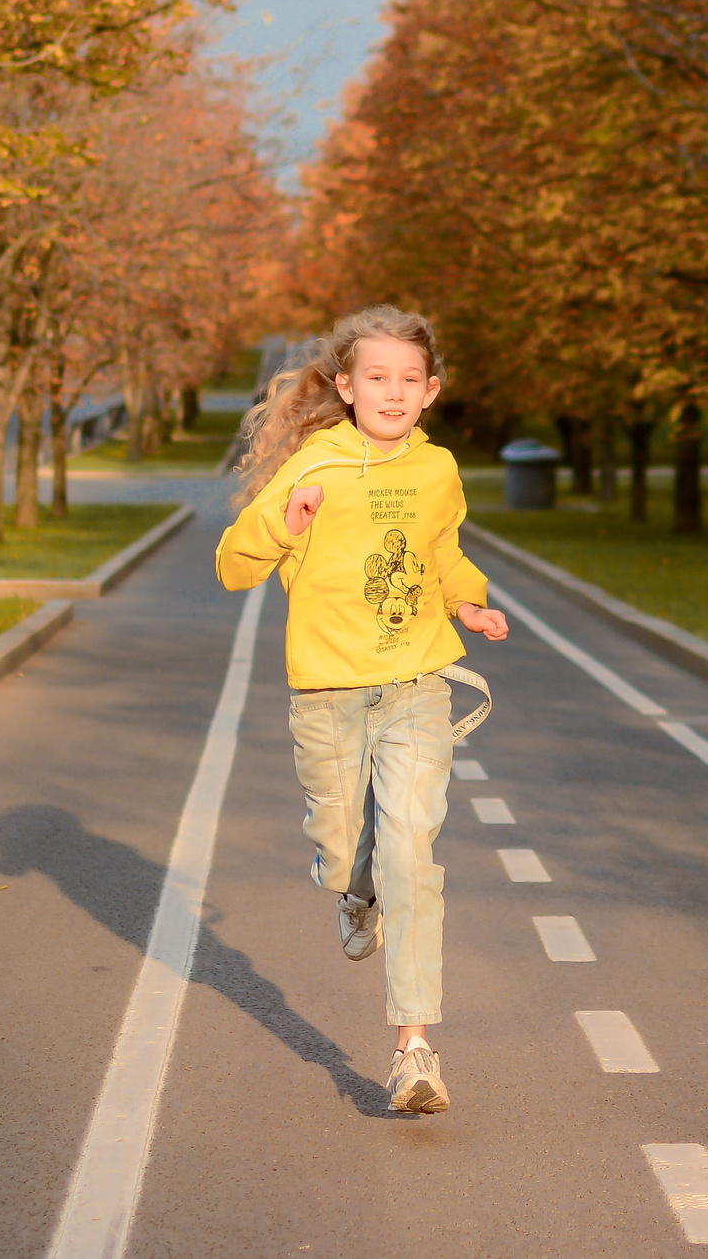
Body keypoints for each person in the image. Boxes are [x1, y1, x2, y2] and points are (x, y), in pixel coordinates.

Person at [215, 305, 507, 1115]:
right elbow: (233, 566)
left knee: (413, 853)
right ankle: (353, 890)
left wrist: (469, 604)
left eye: (408, 379)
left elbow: (442, 550)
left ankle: (415, 1051)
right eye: (376, 377)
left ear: (431, 391)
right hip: (329, 695)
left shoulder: (437, 470)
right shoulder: (318, 464)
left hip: (417, 685)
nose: (392, 390)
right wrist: (284, 520)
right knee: (347, 854)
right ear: (345, 387)